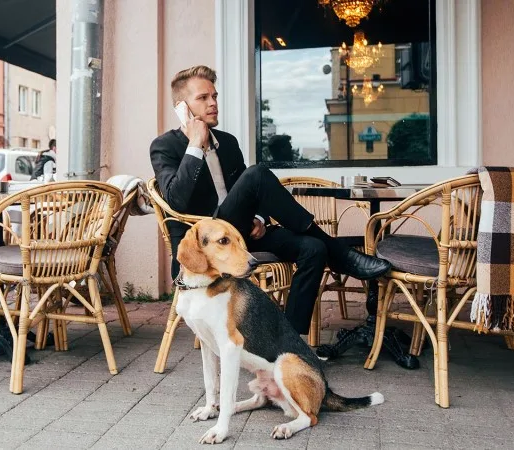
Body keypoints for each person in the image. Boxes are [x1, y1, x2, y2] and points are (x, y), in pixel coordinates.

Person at [150, 65, 390, 339]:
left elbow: (254, 193)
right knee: (258, 173)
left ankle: (289, 340)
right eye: (203, 98)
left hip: (241, 234)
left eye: (214, 96)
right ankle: (342, 256)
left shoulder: (227, 143)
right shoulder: (164, 146)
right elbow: (177, 200)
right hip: (205, 246)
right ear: (182, 108)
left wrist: (259, 218)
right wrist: (195, 144)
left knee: (313, 248)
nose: (213, 103)